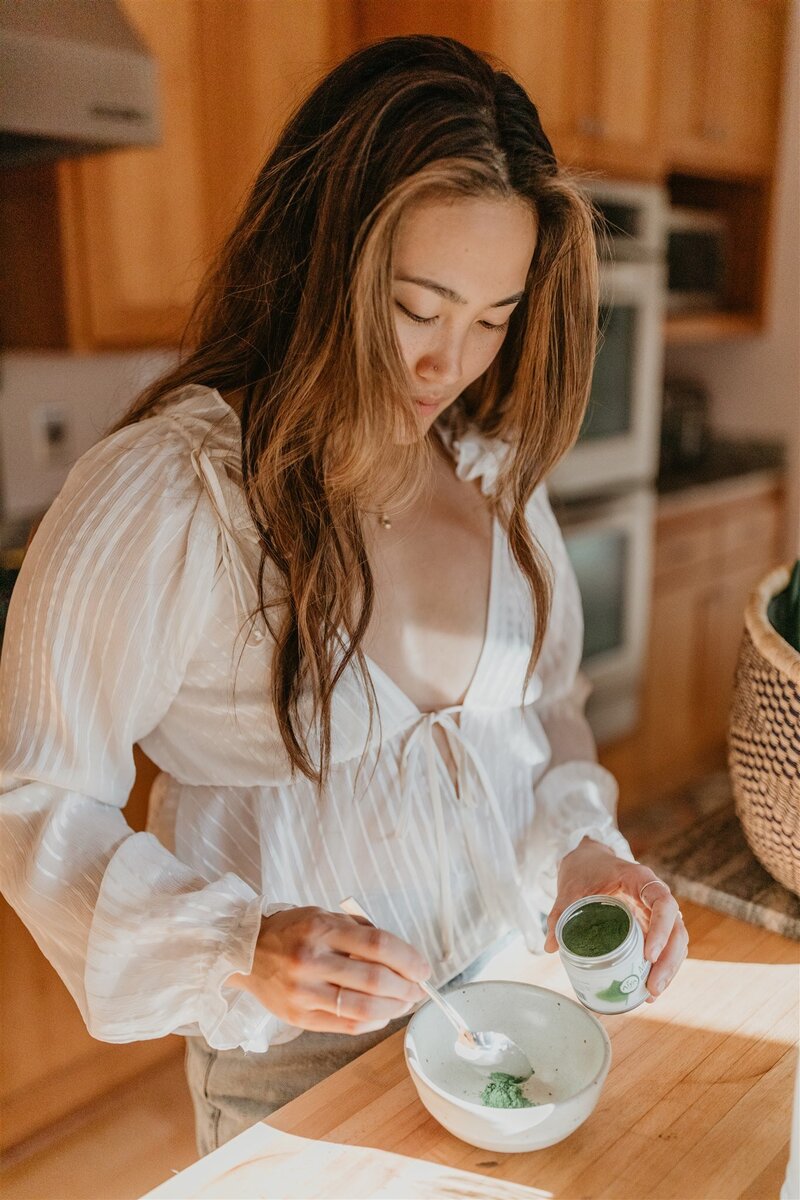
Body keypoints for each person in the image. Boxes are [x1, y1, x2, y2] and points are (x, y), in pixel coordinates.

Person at [0, 35, 687, 1155]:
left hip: (510, 1004)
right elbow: (30, 794)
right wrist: (239, 945)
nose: (448, 363)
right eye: (418, 306)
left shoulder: (492, 477)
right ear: (323, 255)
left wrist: (582, 852)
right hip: (295, 1072)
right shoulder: (177, 496)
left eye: (492, 316)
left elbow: (542, 709)